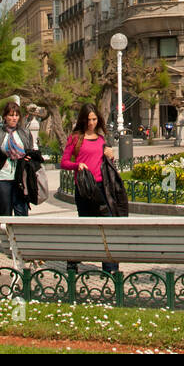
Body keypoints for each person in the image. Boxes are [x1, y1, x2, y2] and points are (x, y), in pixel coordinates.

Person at [60, 103, 119, 273]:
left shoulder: (101, 139)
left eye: (94, 119)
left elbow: (106, 163)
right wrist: (77, 165)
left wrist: (111, 156)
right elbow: (64, 162)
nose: (91, 123)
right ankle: (73, 260)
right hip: (85, 188)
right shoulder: (75, 138)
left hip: (101, 188)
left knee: (106, 226)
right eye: (88, 120)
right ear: (82, 120)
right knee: (86, 227)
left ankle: (110, 267)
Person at [0, 101, 35, 217]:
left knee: (22, 211)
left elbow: (31, 153)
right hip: (2, 177)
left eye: (16, 115)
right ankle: (6, 235)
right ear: (5, 116)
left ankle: (20, 235)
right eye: (11, 115)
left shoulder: (25, 133)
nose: (14, 118)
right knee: (6, 210)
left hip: (20, 177)